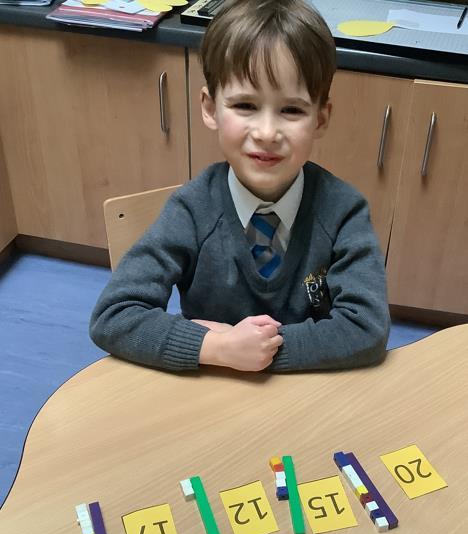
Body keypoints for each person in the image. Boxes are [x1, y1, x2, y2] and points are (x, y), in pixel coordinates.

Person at [89, 0, 390, 373]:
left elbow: (367, 329)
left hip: (310, 390)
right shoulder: (191, 209)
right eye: (246, 105)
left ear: (321, 118)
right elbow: (114, 315)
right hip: (214, 388)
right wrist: (217, 347)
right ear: (210, 108)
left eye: (291, 110)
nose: (266, 133)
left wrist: (257, 350)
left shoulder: (343, 211)